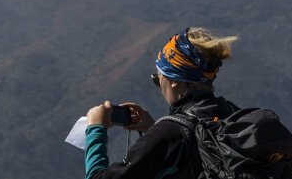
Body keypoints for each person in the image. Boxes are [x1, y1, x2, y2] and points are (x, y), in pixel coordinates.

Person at [82, 27, 244, 179]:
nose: (160, 87)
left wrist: (95, 129)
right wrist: (152, 129)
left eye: (158, 79)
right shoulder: (234, 115)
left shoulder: (169, 133)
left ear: (174, 81)